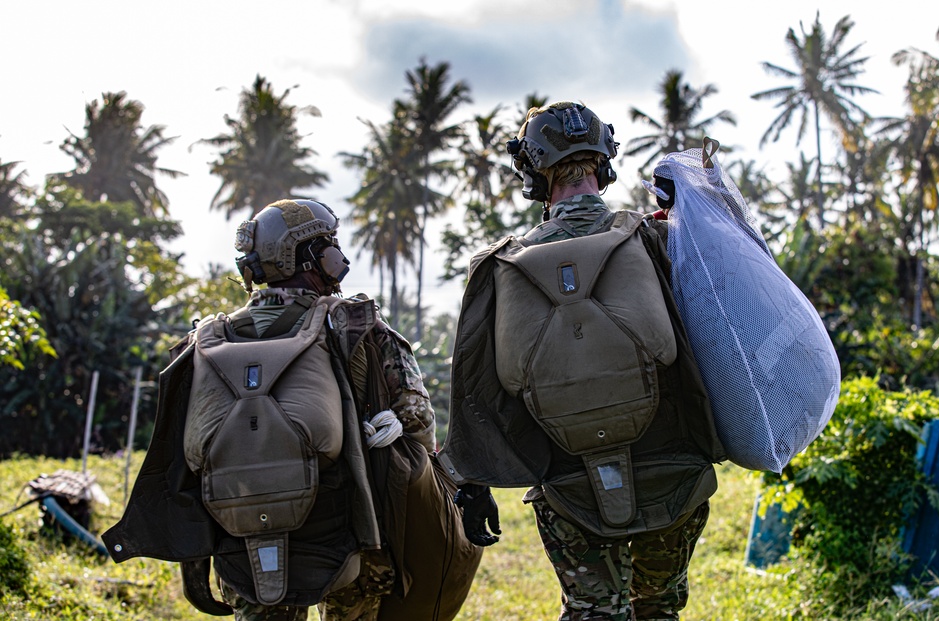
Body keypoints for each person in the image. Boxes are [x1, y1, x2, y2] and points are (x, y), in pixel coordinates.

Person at [104, 199, 481, 621]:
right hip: (346, 538)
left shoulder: (207, 341)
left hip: (241, 539)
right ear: (314, 257)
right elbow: (419, 422)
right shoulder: (359, 326)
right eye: (331, 248)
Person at [440, 102, 727, 621]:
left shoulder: (497, 266)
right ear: (605, 161)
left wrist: (472, 480)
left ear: (530, 171)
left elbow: (476, 392)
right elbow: (720, 343)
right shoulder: (659, 239)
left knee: (593, 611)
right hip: (674, 475)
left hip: (569, 486)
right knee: (658, 608)